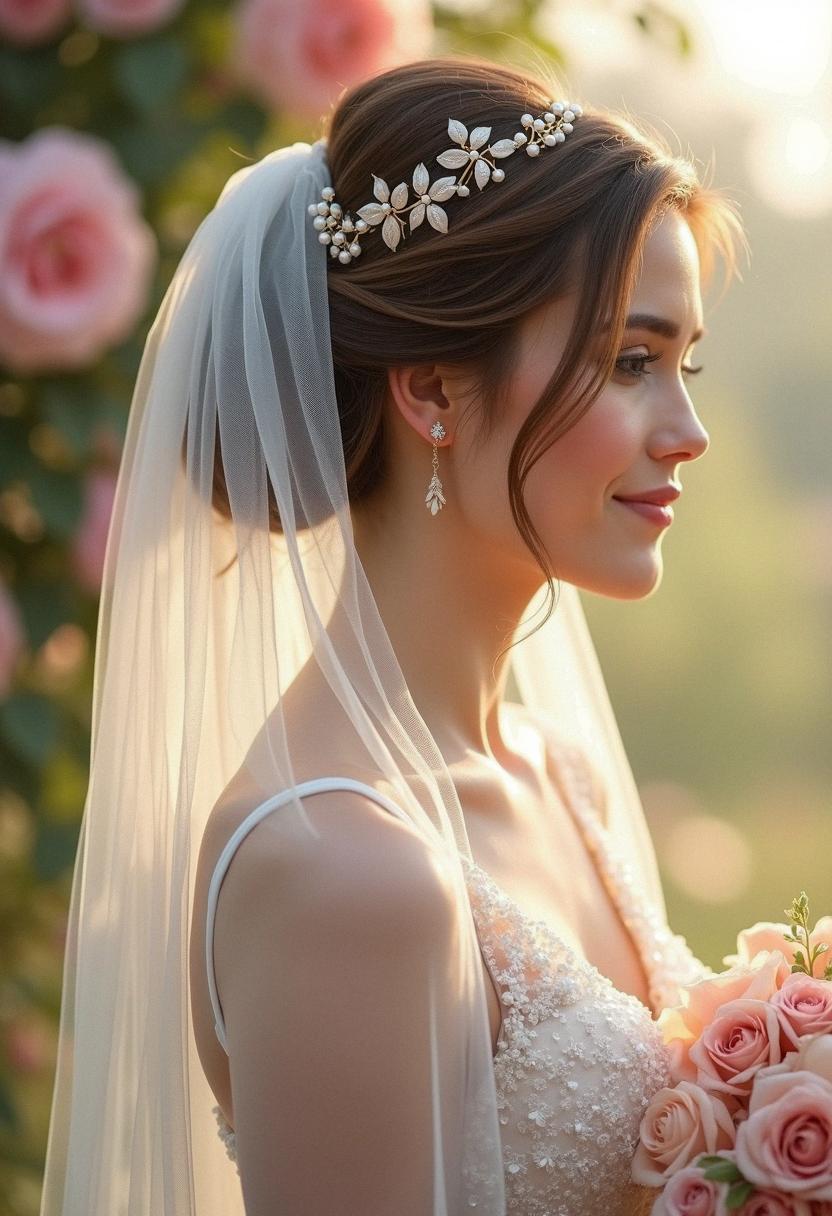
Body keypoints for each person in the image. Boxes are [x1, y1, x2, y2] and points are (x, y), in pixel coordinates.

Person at [39, 56, 747, 1216]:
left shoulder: (556, 771)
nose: (689, 431)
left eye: (685, 362)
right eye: (631, 361)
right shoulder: (338, 869)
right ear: (430, 393)